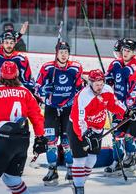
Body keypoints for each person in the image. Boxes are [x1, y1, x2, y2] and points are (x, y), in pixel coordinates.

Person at [0, 61, 48, 194]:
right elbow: (37, 116)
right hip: (22, 141)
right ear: (17, 74)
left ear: (0, 74)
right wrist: (40, 138)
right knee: (12, 178)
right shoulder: (25, 92)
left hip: (2, 140)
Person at [68, 69, 127, 193]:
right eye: (96, 84)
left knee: (91, 160)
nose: (99, 87)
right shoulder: (83, 96)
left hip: (97, 129)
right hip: (78, 129)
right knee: (80, 160)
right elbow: (78, 119)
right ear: (90, 83)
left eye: (101, 84)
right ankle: (79, 188)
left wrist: (126, 112)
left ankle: (78, 182)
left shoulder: (107, 90)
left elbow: (113, 105)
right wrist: (84, 135)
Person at [35, 41, 83, 186]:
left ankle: (70, 169)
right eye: (61, 52)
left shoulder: (75, 68)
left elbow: (80, 89)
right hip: (51, 109)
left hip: (68, 110)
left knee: (67, 142)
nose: (63, 54)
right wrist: (45, 89)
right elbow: (37, 88)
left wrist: (72, 98)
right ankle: (52, 170)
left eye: (66, 52)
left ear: (69, 53)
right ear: (56, 53)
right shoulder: (47, 67)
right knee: (50, 141)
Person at [104, 38, 136, 178]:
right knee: (117, 136)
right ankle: (118, 161)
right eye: (123, 50)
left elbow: (135, 89)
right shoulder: (116, 64)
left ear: (134, 52)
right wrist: (103, 81)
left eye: (128, 51)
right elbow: (108, 79)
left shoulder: (135, 67)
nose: (124, 53)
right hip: (120, 108)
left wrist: (128, 107)